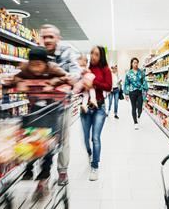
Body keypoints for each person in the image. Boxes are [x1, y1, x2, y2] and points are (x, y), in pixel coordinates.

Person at [14, 47, 73, 185]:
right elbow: (16, 78)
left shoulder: (53, 69)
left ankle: (45, 171)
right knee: (30, 139)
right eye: (32, 64)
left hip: (51, 110)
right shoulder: (26, 69)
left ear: (45, 64)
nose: (35, 68)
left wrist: (54, 84)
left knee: (48, 142)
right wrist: (19, 84)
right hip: (35, 109)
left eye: (39, 64)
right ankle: (28, 169)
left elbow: (67, 78)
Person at [40, 24, 82, 186]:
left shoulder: (67, 52)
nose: (48, 40)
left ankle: (62, 171)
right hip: (42, 105)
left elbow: (75, 74)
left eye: (51, 36)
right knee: (42, 138)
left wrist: (61, 77)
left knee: (63, 138)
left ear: (58, 38)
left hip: (63, 104)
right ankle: (44, 173)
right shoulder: (39, 53)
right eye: (44, 37)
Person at [80, 46, 112, 181]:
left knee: (95, 138)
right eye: (91, 53)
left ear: (101, 56)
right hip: (85, 108)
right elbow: (79, 87)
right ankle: (90, 154)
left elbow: (108, 86)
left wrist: (93, 82)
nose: (93, 56)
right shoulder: (86, 69)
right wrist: (83, 84)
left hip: (99, 107)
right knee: (86, 138)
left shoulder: (105, 70)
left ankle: (95, 167)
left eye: (96, 54)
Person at [124, 58, 148, 130]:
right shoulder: (128, 73)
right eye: (134, 62)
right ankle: (135, 122)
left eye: (137, 62)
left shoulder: (141, 72)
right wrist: (126, 94)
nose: (136, 64)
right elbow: (126, 84)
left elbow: (144, 81)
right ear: (131, 63)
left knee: (140, 107)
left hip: (140, 91)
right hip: (132, 92)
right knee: (133, 107)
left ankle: (139, 114)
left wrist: (145, 89)